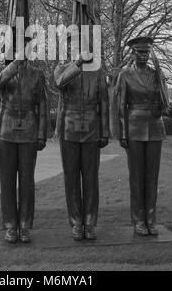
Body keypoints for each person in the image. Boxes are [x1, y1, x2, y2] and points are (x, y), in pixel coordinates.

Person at [115, 36, 172, 236]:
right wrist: (122, 134)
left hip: (155, 127)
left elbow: (164, 103)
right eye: (140, 52)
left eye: (146, 52)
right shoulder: (124, 75)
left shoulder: (156, 75)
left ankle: (151, 219)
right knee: (136, 178)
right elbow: (120, 107)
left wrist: (170, 109)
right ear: (132, 53)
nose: (143, 56)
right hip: (133, 128)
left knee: (152, 177)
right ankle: (138, 220)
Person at [0, 44, 48, 244]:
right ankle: (10, 226)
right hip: (6, 130)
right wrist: (14, 64)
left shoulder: (37, 74)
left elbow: (42, 104)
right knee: (7, 182)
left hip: (29, 130)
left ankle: (24, 225)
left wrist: (42, 134)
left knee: (27, 181)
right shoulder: (2, 71)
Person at [54, 49, 110, 241]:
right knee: (71, 180)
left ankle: (90, 222)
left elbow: (103, 103)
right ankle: (76, 222)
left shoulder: (99, 72)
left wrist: (105, 132)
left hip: (92, 131)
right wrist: (77, 64)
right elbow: (60, 83)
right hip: (69, 130)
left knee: (91, 179)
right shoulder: (61, 68)